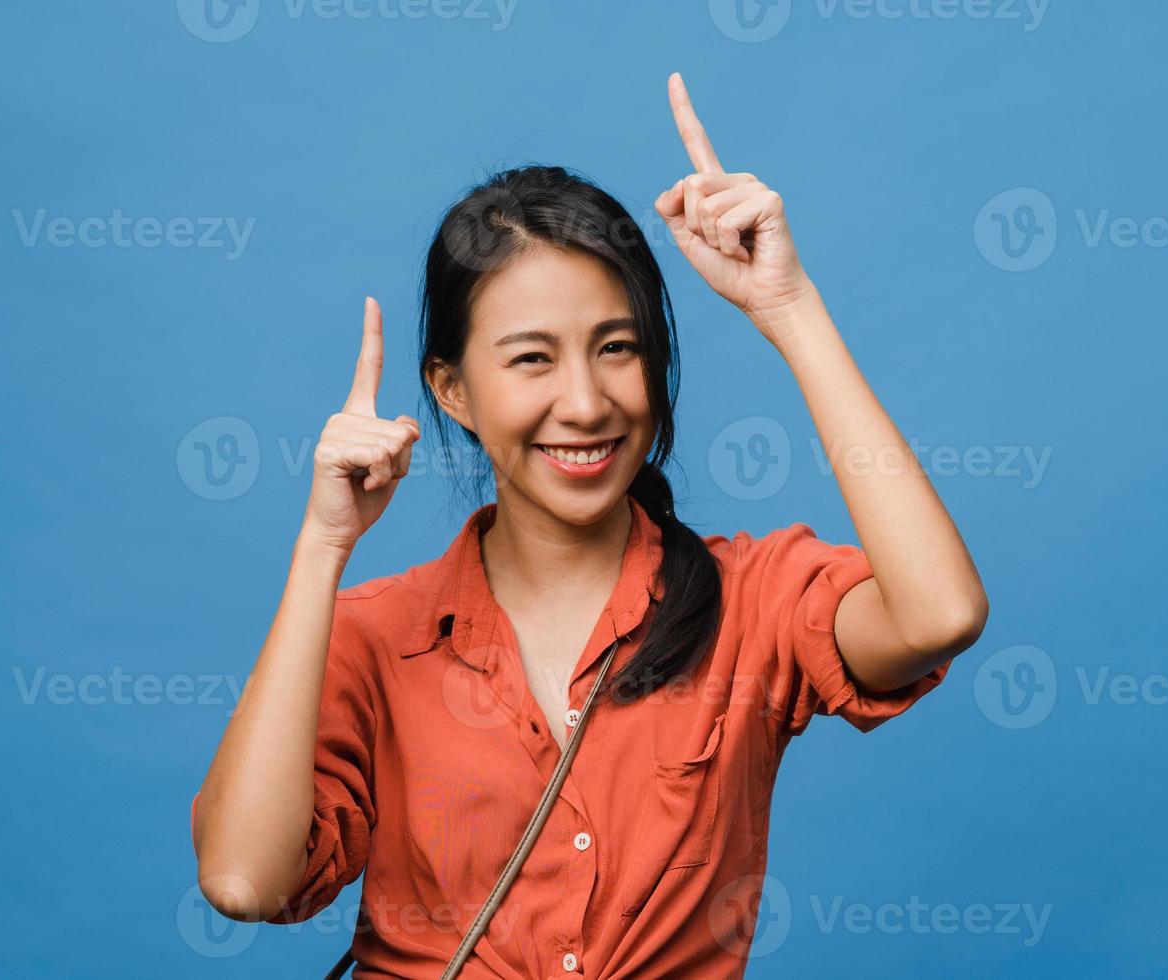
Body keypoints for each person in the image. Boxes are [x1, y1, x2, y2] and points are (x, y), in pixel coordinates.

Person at [189, 71, 988, 977]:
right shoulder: (376, 638)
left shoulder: (750, 603)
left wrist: (788, 308)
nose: (585, 401)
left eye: (618, 348)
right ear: (452, 390)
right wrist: (322, 547)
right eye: (532, 359)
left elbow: (938, 615)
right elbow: (244, 881)